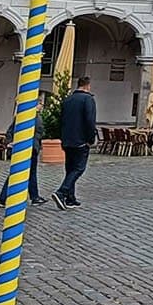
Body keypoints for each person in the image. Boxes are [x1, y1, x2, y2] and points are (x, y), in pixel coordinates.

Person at [52, 75, 98, 209]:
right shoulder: (88, 99)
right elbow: (90, 120)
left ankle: (70, 198)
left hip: (67, 139)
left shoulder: (68, 99)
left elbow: (61, 120)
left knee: (70, 168)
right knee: (79, 168)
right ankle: (62, 191)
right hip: (81, 140)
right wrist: (91, 139)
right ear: (87, 86)